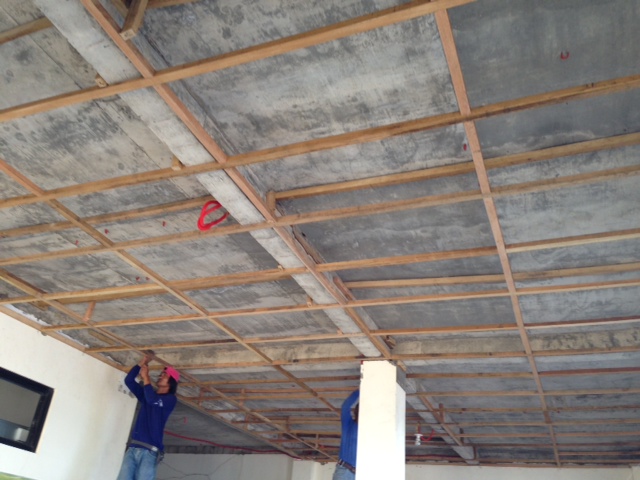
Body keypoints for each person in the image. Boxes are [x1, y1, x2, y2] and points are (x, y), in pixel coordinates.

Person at [116, 352, 179, 480]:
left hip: (149, 452)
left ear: (171, 382)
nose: (160, 376)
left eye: (164, 375)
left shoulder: (170, 399)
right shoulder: (148, 395)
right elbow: (129, 381)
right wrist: (142, 363)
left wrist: (146, 377)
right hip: (133, 448)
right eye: (161, 374)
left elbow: (152, 400)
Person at [333, 389, 359, 480]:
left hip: (360, 474)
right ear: (356, 412)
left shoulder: (369, 430)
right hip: (344, 471)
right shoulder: (348, 424)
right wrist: (360, 391)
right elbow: (345, 407)